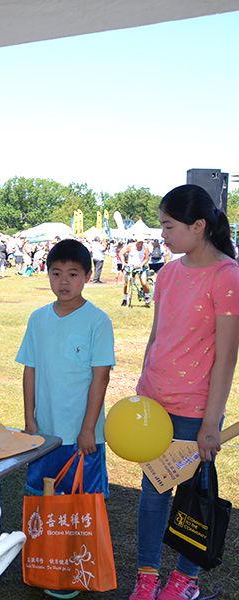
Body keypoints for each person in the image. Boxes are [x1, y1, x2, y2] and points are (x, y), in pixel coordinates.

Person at [129, 185, 239, 600]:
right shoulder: (167, 273)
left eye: (168, 226)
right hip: (153, 404)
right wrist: (142, 389)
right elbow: (156, 336)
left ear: (198, 226)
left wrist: (212, 421)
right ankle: (146, 576)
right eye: (161, 226)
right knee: (153, 492)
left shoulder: (227, 276)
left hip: (196, 410)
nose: (163, 235)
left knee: (193, 496)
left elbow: (227, 357)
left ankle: (184, 579)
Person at [16, 239, 114, 600]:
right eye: (56, 273)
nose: (64, 281)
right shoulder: (38, 318)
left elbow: (100, 377)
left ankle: (76, 564)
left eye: (73, 274)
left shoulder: (97, 321)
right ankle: (45, 561)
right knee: (42, 498)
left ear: (88, 276)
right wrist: (29, 420)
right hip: (44, 434)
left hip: (82, 436)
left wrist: (89, 428)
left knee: (80, 503)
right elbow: (30, 369)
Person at [120, 238, 150, 306]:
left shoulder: (145, 247)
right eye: (139, 242)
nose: (140, 244)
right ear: (136, 241)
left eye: (142, 242)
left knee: (144, 283)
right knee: (126, 283)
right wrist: (124, 263)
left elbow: (146, 259)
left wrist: (141, 265)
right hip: (130, 266)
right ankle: (125, 299)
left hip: (140, 266)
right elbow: (122, 254)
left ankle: (147, 296)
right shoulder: (130, 246)